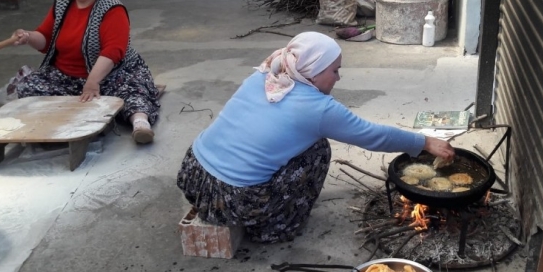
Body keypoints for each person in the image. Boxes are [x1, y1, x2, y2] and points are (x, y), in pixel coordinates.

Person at [176, 31, 455, 243]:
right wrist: (425, 142)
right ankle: (276, 227)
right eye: (334, 70)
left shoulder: (266, 74)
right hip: (235, 199)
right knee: (317, 150)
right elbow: (372, 136)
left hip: (194, 176)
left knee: (298, 142)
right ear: (313, 70)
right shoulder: (318, 109)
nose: (338, 78)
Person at [10, 0, 160, 144]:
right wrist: (28, 36)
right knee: (27, 87)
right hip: (66, 77)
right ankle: (74, 116)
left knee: (133, 92)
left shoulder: (112, 9)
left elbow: (113, 50)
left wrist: (92, 82)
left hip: (110, 75)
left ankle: (140, 124)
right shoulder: (62, 5)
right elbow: (46, 39)